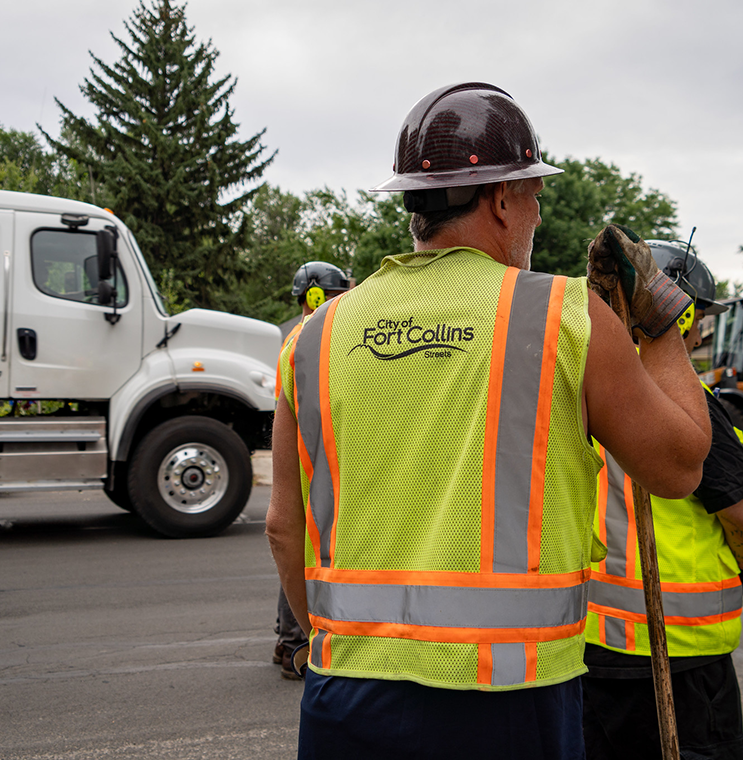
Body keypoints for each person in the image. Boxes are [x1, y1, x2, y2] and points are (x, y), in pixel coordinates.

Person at [266, 82, 712, 760]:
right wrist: (658, 323)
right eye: (534, 196)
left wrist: (338, 646)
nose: (536, 214)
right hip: (510, 699)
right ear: (502, 199)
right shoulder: (562, 315)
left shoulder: (313, 337)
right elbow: (680, 466)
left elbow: (282, 528)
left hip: (345, 696)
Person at [582, 241, 743, 760]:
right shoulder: (689, 410)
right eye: (701, 319)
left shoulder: (579, 391)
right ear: (679, 317)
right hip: (680, 647)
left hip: (594, 643)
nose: (702, 333)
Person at [272, 261, 351, 679]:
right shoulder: (316, 337)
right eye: (336, 292)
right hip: (317, 460)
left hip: (306, 453)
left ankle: (284, 637)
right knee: (301, 545)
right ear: (318, 296)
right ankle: (294, 644)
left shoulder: (298, 337)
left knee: (293, 547)